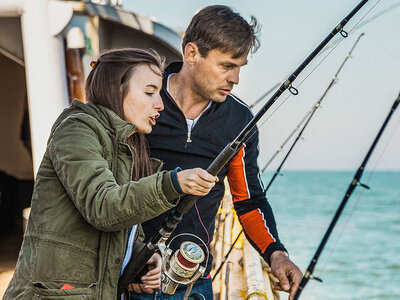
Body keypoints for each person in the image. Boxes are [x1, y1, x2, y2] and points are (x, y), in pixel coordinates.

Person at [3, 48, 218, 300]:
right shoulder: (76, 128)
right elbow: (103, 207)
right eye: (149, 92)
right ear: (116, 89)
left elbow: (117, 231)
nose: (160, 104)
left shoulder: (129, 146)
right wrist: (173, 182)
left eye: (159, 93)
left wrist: (142, 258)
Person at [131, 5, 303, 300]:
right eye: (226, 66)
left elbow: (248, 201)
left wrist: (276, 254)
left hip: (193, 282)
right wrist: (126, 261)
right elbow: (109, 188)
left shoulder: (238, 122)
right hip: (132, 274)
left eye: (239, 67)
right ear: (192, 54)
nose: (235, 78)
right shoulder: (142, 101)